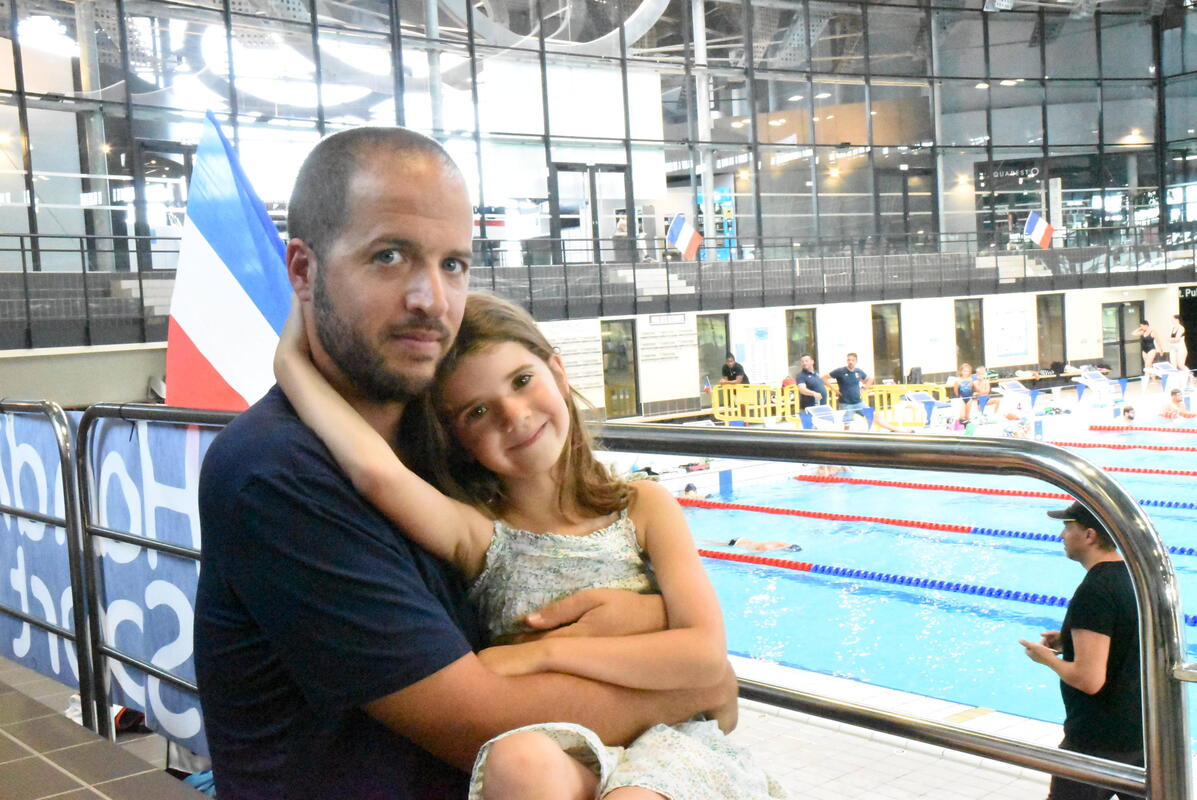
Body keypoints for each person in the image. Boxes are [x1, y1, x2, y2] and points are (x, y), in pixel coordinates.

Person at [194, 128, 734, 800]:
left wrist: (644, 621)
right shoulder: (274, 471)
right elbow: (476, 721)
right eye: (388, 257)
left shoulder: (438, 446)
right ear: (302, 272)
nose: (430, 298)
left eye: (453, 264)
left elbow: (540, 590)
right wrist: (696, 686)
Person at [276, 291, 782, 800]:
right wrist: (290, 365)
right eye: (477, 411)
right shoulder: (477, 533)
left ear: (558, 373)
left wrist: (546, 654)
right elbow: (376, 474)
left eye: (521, 381)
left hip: (674, 742)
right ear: (457, 440)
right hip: (572, 744)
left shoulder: (644, 508)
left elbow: (702, 656)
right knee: (516, 760)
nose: (513, 415)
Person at [1018, 502, 1142, 800]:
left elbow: (1089, 680)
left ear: (1089, 535)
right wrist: (1069, 641)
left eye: (1067, 527)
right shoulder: (1131, 577)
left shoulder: (1094, 590)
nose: (1061, 535)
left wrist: (1046, 659)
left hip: (1096, 738)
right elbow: (1126, 638)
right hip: (1138, 732)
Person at [824, 352, 872, 429]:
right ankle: (845, 439)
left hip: (858, 402)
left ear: (856, 361)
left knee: (871, 415)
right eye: (849, 360)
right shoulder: (840, 371)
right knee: (847, 424)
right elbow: (824, 378)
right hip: (846, 404)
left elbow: (869, 379)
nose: (850, 362)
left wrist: (863, 388)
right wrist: (834, 389)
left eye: (853, 360)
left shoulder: (858, 371)